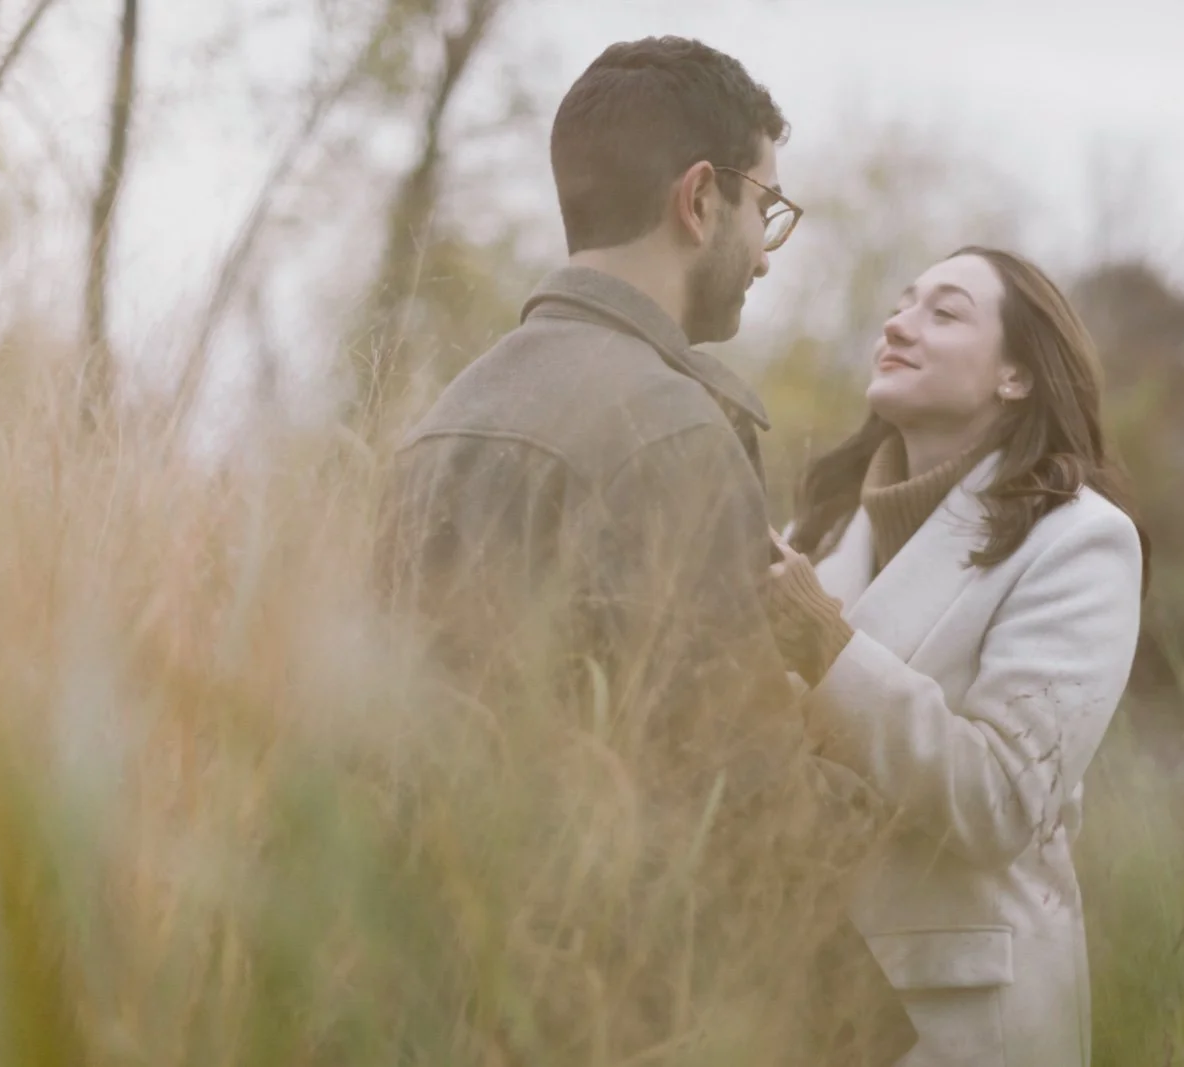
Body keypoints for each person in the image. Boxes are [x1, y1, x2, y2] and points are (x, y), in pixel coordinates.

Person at [374, 36, 912, 1065]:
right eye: (768, 211)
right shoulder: (667, 430)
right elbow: (731, 784)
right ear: (700, 198)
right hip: (622, 1009)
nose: (766, 250)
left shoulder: (441, 419)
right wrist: (859, 805)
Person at [764, 246, 1149, 1067]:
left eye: (944, 312)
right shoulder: (821, 525)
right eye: (902, 305)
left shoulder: (1080, 540)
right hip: (797, 997)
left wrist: (826, 644)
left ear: (1016, 376)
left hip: (961, 1011)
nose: (898, 324)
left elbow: (1003, 798)